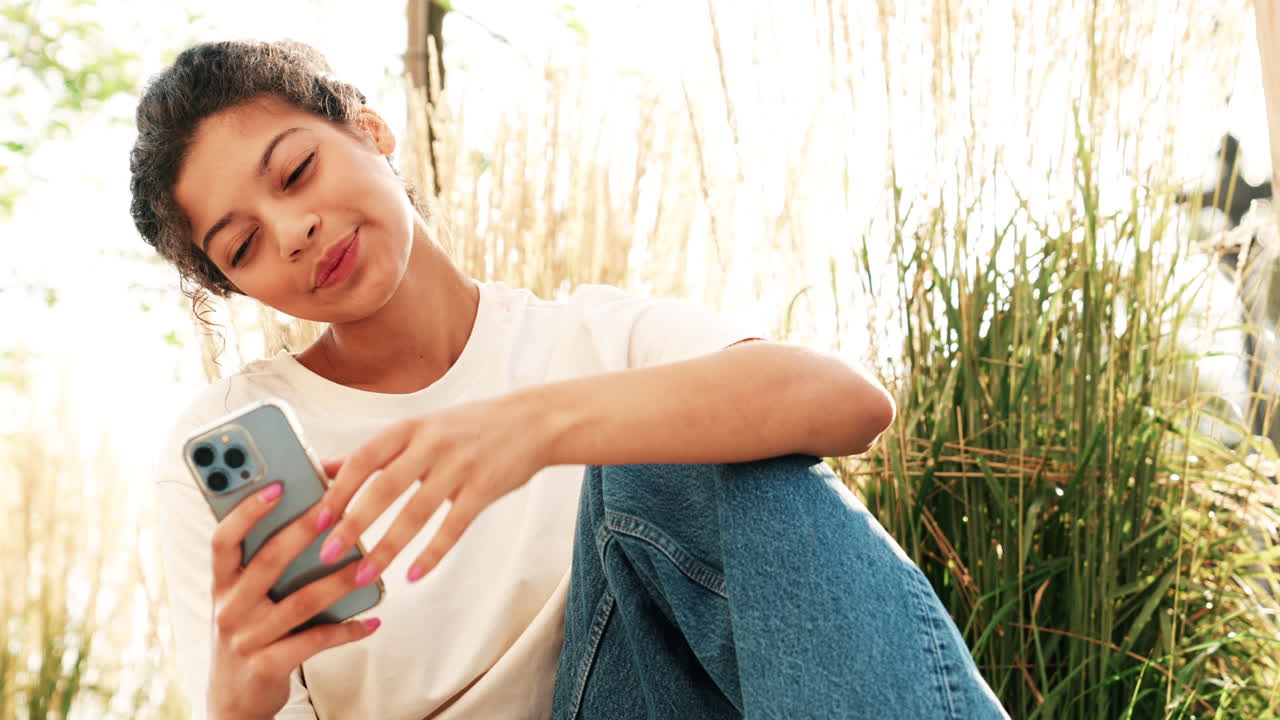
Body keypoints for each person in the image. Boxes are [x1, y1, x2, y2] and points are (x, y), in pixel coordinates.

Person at [132, 39, 1009, 720]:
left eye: (296, 172)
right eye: (241, 246)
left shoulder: (583, 336)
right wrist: (242, 694)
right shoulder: (228, 442)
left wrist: (539, 428)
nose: (292, 232)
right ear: (233, 284)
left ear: (370, 130)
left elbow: (850, 403)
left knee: (698, 438)